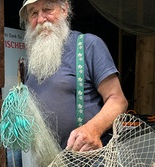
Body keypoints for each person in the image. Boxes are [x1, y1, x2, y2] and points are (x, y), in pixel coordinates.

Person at [19, 0, 128, 151]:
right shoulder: (34, 58)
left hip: (86, 163)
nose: (41, 19)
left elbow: (118, 101)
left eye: (47, 9)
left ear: (64, 10)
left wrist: (93, 129)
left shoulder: (89, 45)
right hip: (44, 165)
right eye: (33, 13)